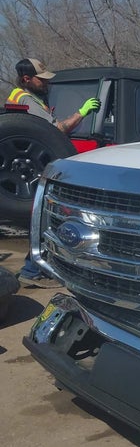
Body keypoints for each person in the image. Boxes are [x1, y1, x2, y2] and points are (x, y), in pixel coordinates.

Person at [7, 58, 100, 288]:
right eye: (41, 79)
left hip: (30, 170)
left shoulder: (24, 96)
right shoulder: (26, 99)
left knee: (41, 219)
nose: (46, 83)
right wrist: (83, 112)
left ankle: (34, 268)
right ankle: (32, 270)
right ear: (27, 79)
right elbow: (57, 130)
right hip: (36, 169)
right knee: (44, 219)